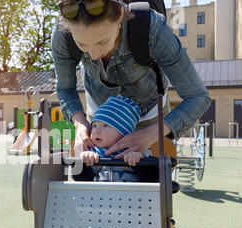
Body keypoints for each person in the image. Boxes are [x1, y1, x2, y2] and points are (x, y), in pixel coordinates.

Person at [52, 0, 211, 161]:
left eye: (102, 41)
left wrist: (149, 135)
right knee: (97, 174)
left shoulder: (152, 28)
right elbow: (65, 89)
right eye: (82, 44)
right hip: (101, 114)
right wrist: (80, 124)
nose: (93, 55)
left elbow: (198, 97)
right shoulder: (63, 35)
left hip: (149, 114)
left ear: (120, 15)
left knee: (156, 176)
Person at [76, 95, 151, 182]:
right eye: (94, 126)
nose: (96, 131)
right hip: (99, 195)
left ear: (124, 132)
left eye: (105, 125)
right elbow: (79, 179)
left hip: (131, 194)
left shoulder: (138, 151)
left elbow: (154, 179)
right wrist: (82, 162)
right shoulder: (93, 153)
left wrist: (140, 163)